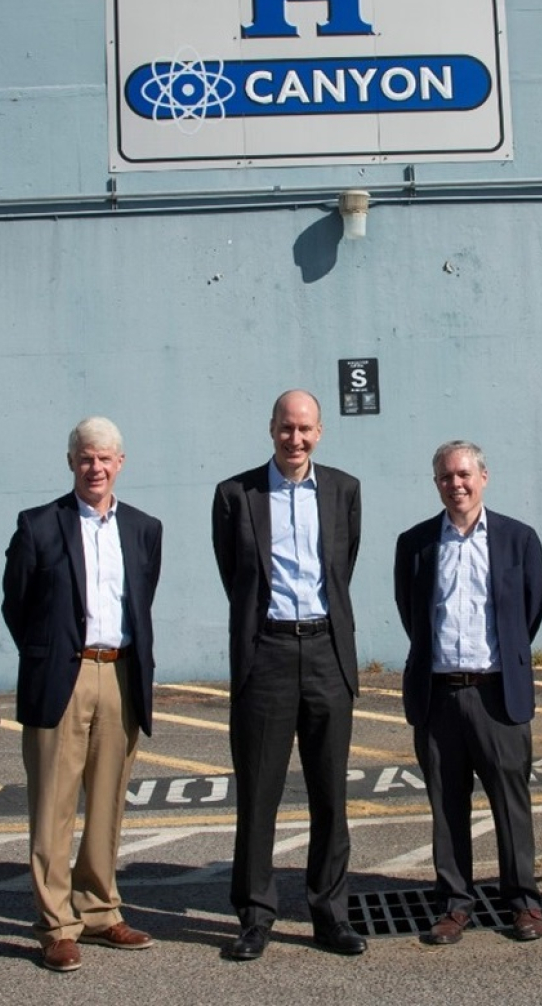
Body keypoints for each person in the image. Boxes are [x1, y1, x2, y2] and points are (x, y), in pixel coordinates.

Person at [2, 417, 162, 972]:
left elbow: (141, 603)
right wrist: (48, 654)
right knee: (52, 805)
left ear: (121, 464)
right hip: (62, 677)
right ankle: (56, 926)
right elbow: (15, 605)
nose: (95, 468)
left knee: (108, 802)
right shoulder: (38, 525)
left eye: (105, 459)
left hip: (119, 674)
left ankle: (98, 910)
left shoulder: (144, 528)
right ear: (71, 462)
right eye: (85, 458)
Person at [211, 389, 367, 960]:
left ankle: (330, 915)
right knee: (258, 793)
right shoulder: (236, 494)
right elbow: (238, 578)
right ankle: (255, 916)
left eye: (305, 429)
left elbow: (341, 567)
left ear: (319, 432)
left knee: (330, 794)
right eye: (285, 428)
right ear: (271, 429)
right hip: (267, 653)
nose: (294, 439)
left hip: (327, 649)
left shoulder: (344, 490)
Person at [394, 441, 542, 945]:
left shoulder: (517, 539)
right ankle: (455, 904)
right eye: (444, 477)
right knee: (447, 806)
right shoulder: (415, 543)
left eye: (463, 475)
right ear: (436, 482)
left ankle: (523, 902)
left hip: (497, 694)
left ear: (484, 476)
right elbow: (411, 614)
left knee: (510, 804)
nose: (455, 484)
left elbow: (530, 609)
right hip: (438, 695)